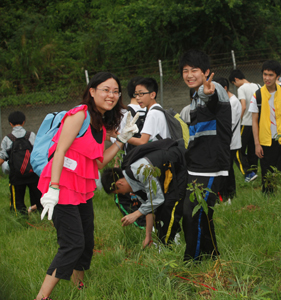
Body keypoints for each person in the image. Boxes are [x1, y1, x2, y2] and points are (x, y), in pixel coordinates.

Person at [34, 72, 139, 300]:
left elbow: (99, 161)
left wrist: (122, 140)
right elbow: (60, 150)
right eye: (105, 89)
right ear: (92, 91)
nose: (111, 95)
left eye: (115, 91)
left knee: (85, 241)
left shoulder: (99, 124)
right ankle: (42, 297)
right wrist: (53, 188)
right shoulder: (80, 114)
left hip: (82, 189)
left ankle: (79, 287)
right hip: (61, 185)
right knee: (72, 244)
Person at [179, 49, 232, 261]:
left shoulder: (214, 88)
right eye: (185, 71)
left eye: (194, 70)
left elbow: (210, 96)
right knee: (200, 212)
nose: (189, 75)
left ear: (206, 72)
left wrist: (207, 92)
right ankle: (211, 254)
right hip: (196, 163)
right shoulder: (193, 98)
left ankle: (192, 259)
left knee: (194, 213)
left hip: (211, 164)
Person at [101, 139, 187, 249]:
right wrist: (148, 236)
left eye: (118, 192)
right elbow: (149, 208)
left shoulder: (140, 171)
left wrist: (135, 214)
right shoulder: (132, 183)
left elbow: (157, 199)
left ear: (119, 183)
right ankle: (166, 242)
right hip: (169, 173)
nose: (122, 194)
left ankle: (166, 246)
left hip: (179, 163)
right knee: (161, 210)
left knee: (169, 206)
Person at [110, 76, 147, 228]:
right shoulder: (151, 110)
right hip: (151, 161)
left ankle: (143, 225)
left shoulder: (124, 114)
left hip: (131, 162)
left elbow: (117, 141)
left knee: (124, 197)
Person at [0, 111, 42, 215]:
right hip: (33, 174)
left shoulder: (7, 139)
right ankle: (40, 215)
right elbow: (39, 152)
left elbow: (2, 157)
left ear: (10, 123)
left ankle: (21, 216)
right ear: (24, 122)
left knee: (17, 202)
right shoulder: (31, 135)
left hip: (16, 176)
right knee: (38, 199)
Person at [248, 60, 281, 193]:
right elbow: (254, 121)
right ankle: (269, 198)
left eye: (271, 75)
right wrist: (257, 144)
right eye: (265, 74)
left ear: (277, 76)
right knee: (267, 173)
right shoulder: (258, 95)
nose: (267, 78)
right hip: (266, 141)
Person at [229, 69, 260, 182]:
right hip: (256, 124)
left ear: (236, 79)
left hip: (245, 124)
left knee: (237, 150)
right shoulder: (258, 85)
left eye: (234, 84)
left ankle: (248, 173)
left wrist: (238, 120)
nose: (235, 86)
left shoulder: (241, 89)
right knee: (253, 149)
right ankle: (254, 172)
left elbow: (243, 106)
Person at [215, 77, 242, 203]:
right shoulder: (228, 100)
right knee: (227, 168)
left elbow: (228, 122)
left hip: (230, 142)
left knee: (228, 169)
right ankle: (229, 194)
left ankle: (229, 194)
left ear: (224, 88)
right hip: (227, 141)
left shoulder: (232, 102)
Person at [126, 77, 171, 146]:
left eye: (141, 94)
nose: (137, 98)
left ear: (152, 95)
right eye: (136, 94)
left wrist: (120, 137)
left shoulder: (153, 113)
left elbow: (142, 142)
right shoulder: (159, 109)